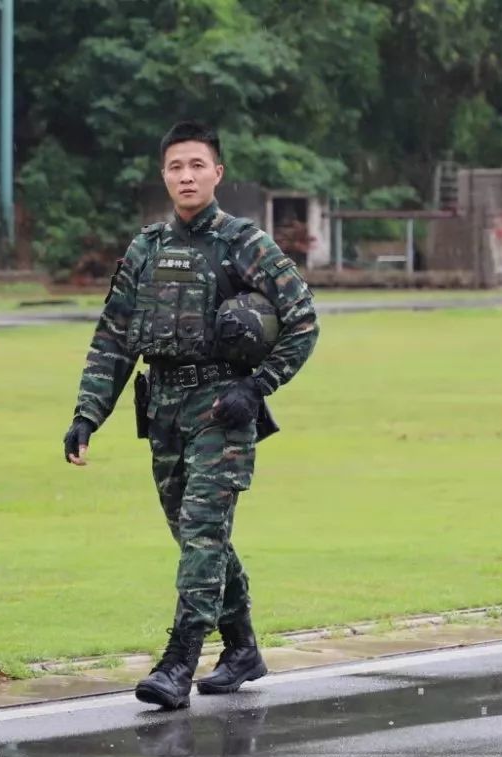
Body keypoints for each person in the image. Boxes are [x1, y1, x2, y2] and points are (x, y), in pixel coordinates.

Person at [63, 121, 319, 710]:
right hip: (164, 411)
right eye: (176, 166)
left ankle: (179, 662)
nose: (186, 176)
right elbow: (115, 339)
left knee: (203, 533)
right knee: (195, 535)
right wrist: (86, 415)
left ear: (217, 173)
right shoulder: (145, 248)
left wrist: (256, 390)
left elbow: (303, 321)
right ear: (164, 175)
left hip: (223, 409)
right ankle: (242, 647)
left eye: (197, 165)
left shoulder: (244, 243)